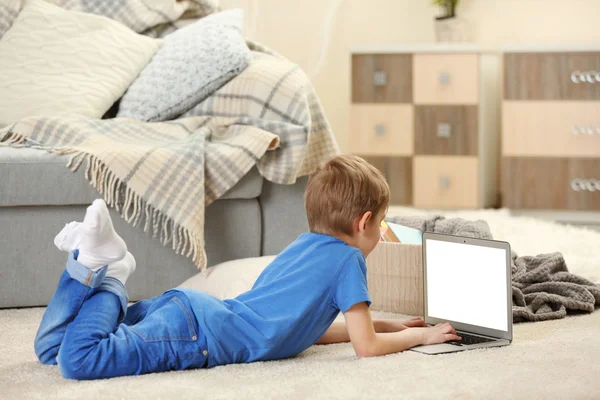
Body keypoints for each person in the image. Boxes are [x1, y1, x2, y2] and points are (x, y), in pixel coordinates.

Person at [34, 155, 460, 380]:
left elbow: (322, 330)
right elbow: (363, 347)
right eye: (380, 223)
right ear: (364, 223)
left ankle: (84, 268)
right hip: (197, 335)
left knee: (51, 350)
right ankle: (109, 274)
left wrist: (396, 327)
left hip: (190, 312)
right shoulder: (349, 260)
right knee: (80, 359)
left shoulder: (304, 245)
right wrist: (423, 336)